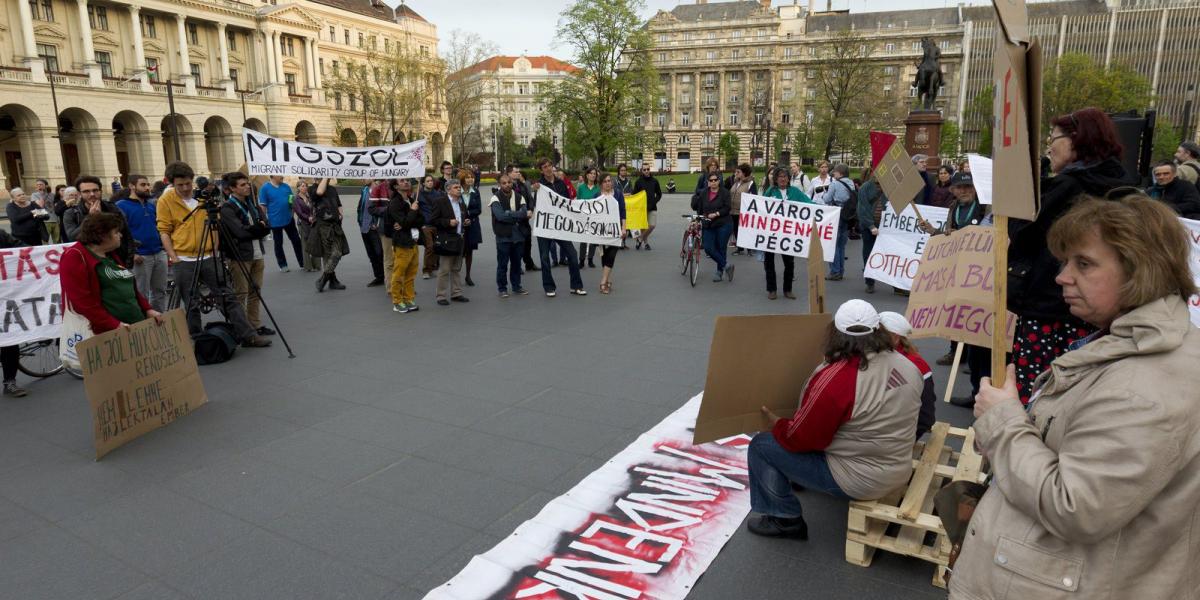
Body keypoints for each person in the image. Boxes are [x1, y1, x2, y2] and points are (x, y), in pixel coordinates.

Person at [951, 194, 1200, 600]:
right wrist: (1006, 426)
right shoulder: (1121, 344)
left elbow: (1074, 506)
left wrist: (1004, 423)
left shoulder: (1142, 386)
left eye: (1084, 264)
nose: (1062, 276)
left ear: (1141, 270)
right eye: (1066, 262)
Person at [746, 300, 923, 539]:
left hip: (861, 479)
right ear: (879, 330)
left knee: (762, 445)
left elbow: (801, 439)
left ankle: (784, 518)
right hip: (898, 466)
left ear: (836, 333)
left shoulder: (840, 378)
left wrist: (776, 423)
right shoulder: (907, 365)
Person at [1008, 107, 1128, 402]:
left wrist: (1017, 208)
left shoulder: (1067, 186)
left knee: (1037, 393)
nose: (1050, 145)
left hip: (1047, 307)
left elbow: (1024, 236)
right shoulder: (1121, 185)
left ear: (1077, 140)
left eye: (1054, 137)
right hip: (1095, 309)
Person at [155, 163, 270, 347]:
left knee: (227, 296)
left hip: (209, 256)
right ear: (172, 184)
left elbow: (214, 225)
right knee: (191, 302)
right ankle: (197, 339)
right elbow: (164, 231)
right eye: (180, 185)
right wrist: (174, 257)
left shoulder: (203, 199)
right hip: (183, 258)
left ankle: (248, 335)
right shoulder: (165, 201)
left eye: (187, 184)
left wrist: (215, 249)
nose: (185, 188)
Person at [60, 212, 163, 337]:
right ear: (102, 235)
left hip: (133, 326)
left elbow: (131, 288)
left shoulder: (110, 253)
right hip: (108, 334)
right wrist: (113, 324)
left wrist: (147, 309)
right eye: (116, 232)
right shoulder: (74, 256)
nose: (120, 235)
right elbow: (82, 301)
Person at [219, 173, 273, 336]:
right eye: (242, 185)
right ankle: (243, 329)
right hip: (240, 256)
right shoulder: (228, 207)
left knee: (255, 291)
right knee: (241, 294)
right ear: (232, 189)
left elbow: (267, 226)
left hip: (257, 253)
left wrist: (257, 228)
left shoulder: (252, 204)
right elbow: (239, 232)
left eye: (247, 184)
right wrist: (257, 228)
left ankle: (255, 325)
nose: (247, 187)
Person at [530, 158, 586, 297]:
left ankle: (576, 286)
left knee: (572, 255)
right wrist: (535, 191)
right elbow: (534, 203)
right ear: (541, 170)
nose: (548, 168)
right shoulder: (539, 185)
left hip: (560, 226)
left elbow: (567, 203)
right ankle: (549, 287)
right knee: (544, 257)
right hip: (545, 226)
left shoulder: (561, 183)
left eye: (550, 165)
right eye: (544, 167)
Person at [878, 312, 935, 439]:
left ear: (896, 337)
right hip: (903, 438)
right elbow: (926, 419)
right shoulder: (920, 365)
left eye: (878, 333)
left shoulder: (867, 359)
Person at [115, 174, 168, 312]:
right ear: (132, 186)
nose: (147, 188)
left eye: (148, 184)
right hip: (140, 257)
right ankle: (143, 325)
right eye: (143, 185)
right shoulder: (121, 206)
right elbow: (119, 233)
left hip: (159, 253)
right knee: (141, 294)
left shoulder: (151, 204)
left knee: (160, 292)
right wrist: (132, 253)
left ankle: (160, 321)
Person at [761, 168, 812, 299]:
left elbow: (810, 205)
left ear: (788, 178)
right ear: (776, 179)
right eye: (780, 176)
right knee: (769, 261)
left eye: (785, 176)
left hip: (788, 234)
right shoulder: (770, 191)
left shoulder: (795, 192)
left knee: (789, 263)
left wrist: (827, 210)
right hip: (771, 232)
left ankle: (787, 289)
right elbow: (760, 207)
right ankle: (771, 289)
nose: (782, 179)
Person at [64, 176, 134, 264]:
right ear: (79, 194)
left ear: (100, 191)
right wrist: (90, 218)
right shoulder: (71, 213)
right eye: (86, 191)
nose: (92, 194)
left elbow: (126, 233)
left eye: (95, 190)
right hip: (89, 261)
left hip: (117, 258)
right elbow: (72, 237)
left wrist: (130, 258)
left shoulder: (112, 207)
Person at [386, 178, 424, 313]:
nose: (406, 182)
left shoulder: (411, 200)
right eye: (402, 181)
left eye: (407, 180)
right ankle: (397, 301)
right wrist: (412, 213)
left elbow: (421, 220)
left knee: (411, 273)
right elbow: (405, 221)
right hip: (402, 243)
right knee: (399, 273)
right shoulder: (395, 203)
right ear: (396, 186)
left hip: (413, 241)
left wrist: (408, 221)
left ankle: (408, 298)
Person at [431, 179, 470, 306]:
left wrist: (466, 221)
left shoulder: (461, 202)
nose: (459, 189)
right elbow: (433, 220)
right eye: (455, 187)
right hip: (447, 239)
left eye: (459, 187)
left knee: (457, 268)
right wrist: (448, 222)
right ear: (448, 189)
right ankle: (441, 295)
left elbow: (464, 215)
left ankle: (456, 293)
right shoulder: (440, 202)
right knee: (445, 269)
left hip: (459, 238)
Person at [307, 177, 349, 292]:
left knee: (336, 253)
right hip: (322, 226)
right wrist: (325, 177)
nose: (330, 177)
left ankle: (324, 278)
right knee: (328, 254)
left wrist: (341, 213)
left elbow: (338, 203)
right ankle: (332, 281)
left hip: (335, 225)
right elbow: (319, 192)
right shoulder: (312, 189)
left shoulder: (332, 189)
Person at [0, 226, 29, 396]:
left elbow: (21, 247)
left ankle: (10, 381)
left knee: (10, 337)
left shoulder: (1, 235)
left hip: (4, 296)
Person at [691, 170, 734, 283]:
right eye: (711, 180)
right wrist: (697, 220)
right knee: (708, 247)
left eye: (716, 180)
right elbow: (700, 208)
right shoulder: (704, 193)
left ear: (719, 181)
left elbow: (727, 207)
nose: (714, 182)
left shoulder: (725, 192)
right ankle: (727, 266)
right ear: (708, 182)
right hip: (708, 224)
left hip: (723, 223)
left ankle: (719, 272)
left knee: (721, 247)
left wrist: (716, 214)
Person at [490, 173, 529, 298]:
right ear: (499, 184)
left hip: (518, 236)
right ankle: (502, 288)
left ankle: (517, 286)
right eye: (504, 183)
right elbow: (500, 216)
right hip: (503, 236)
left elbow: (524, 213)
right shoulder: (495, 198)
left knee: (517, 263)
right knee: (502, 264)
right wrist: (516, 215)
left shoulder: (519, 197)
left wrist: (509, 213)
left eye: (509, 182)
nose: (507, 185)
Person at [258, 175, 304, 273]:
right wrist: (263, 220)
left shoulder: (286, 186)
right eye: (279, 174)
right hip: (274, 221)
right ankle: (283, 265)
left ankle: (302, 262)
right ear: (273, 175)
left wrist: (292, 212)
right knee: (278, 244)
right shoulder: (265, 188)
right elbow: (263, 206)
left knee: (296, 241)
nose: (282, 176)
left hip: (288, 219)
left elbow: (291, 200)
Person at [857, 168, 889, 294]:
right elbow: (862, 208)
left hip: (885, 227)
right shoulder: (866, 187)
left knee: (892, 254)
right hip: (869, 227)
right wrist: (871, 226)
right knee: (869, 253)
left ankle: (896, 284)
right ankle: (869, 281)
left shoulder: (890, 187)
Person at [825, 164, 857, 281]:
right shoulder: (851, 183)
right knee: (842, 245)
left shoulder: (835, 184)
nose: (833, 173)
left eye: (835, 172)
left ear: (841, 173)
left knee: (833, 244)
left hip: (836, 214)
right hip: (848, 216)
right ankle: (841, 270)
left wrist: (824, 193)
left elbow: (827, 199)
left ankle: (835, 271)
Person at [596, 173, 626, 295]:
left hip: (616, 229)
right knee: (605, 255)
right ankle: (607, 279)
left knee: (612, 253)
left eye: (609, 181)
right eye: (605, 181)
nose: (608, 183)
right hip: (602, 230)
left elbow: (623, 211)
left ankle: (603, 281)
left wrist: (624, 228)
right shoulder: (596, 196)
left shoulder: (618, 194)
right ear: (601, 184)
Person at [508, 165, 539, 273]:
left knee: (527, 242)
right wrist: (522, 213)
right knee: (516, 244)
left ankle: (528, 263)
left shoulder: (523, 185)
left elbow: (530, 199)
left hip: (525, 220)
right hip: (515, 220)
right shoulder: (507, 187)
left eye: (518, 171)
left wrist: (531, 210)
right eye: (516, 171)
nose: (518, 173)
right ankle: (517, 265)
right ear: (509, 174)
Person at [357, 180, 387, 287]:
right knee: (372, 254)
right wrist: (360, 222)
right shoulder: (364, 190)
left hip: (375, 227)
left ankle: (387, 276)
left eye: (366, 175)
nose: (363, 178)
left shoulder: (380, 189)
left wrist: (377, 222)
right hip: (364, 227)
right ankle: (379, 277)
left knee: (380, 253)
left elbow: (384, 207)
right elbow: (361, 207)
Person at [292, 178, 321, 272]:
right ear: (298, 188)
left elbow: (314, 208)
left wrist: (314, 216)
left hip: (313, 222)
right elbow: (299, 212)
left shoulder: (309, 197)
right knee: (305, 244)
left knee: (315, 242)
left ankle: (316, 265)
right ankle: (308, 266)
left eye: (306, 186)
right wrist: (308, 218)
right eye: (302, 186)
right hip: (303, 223)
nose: (305, 188)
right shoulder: (296, 199)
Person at [460, 169, 484, 286]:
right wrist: (463, 216)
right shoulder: (456, 191)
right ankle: (455, 274)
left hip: (472, 224)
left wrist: (468, 215)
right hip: (458, 225)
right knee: (458, 251)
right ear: (462, 179)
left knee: (469, 251)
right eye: (467, 177)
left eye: (472, 177)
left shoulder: (476, 191)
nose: (470, 179)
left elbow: (478, 209)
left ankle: (468, 275)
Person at [728, 164, 757, 256]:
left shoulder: (751, 183)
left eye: (738, 172)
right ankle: (740, 248)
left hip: (744, 212)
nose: (735, 173)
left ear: (744, 173)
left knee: (745, 230)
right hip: (733, 210)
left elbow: (753, 197)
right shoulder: (736, 182)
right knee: (736, 229)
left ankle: (749, 249)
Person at [575, 168, 601, 267]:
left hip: (594, 217)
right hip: (583, 216)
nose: (593, 175)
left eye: (595, 174)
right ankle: (581, 260)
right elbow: (578, 202)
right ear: (587, 175)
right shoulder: (581, 188)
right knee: (583, 239)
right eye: (591, 173)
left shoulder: (598, 188)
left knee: (593, 239)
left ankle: (590, 259)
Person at [632, 163, 662, 251]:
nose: (646, 171)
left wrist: (654, 201)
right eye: (644, 170)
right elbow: (634, 194)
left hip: (652, 207)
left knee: (652, 225)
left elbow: (659, 194)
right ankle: (646, 243)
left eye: (648, 169)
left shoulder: (655, 181)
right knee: (643, 227)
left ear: (650, 170)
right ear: (642, 171)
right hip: (642, 208)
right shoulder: (638, 181)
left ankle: (640, 239)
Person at [417, 174, 441, 279]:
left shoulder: (438, 194)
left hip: (436, 224)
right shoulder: (418, 194)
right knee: (429, 247)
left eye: (431, 180)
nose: (430, 182)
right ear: (423, 183)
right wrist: (420, 225)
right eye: (427, 181)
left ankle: (432, 268)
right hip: (426, 225)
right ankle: (426, 270)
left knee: (436, 246)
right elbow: (415, 211)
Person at [30, 178, 60, 243]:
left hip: (55, 219)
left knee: (57, 240)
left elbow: (56, 205)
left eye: (41, 184)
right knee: (45, 241)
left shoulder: (52, 195)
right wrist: (41, 194)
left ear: (46, 185)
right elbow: (40, 206)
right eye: (37, 185)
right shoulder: (34, 195)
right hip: (44, 221)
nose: (39, 186)